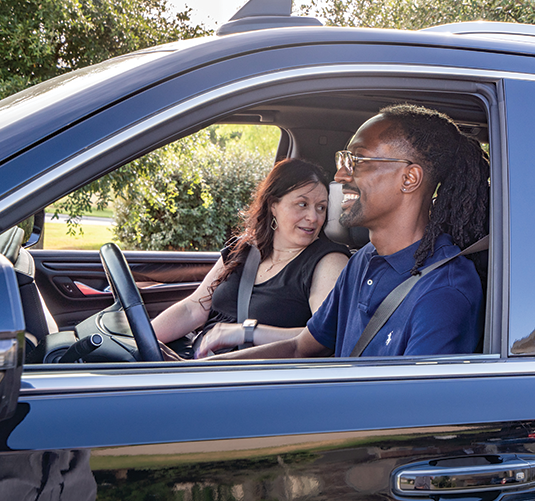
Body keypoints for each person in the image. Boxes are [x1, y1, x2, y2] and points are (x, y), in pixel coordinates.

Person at [195, 103, 488, 359]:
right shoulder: (363, 260)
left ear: (409, 178)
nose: (340, 176)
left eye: (357, 161)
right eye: (343, 160)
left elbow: (410, 415)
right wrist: (210, 371)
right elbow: (301, 347)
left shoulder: (444, 291)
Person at [152, 158, 349, 357]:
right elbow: (193, 308)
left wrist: (245, 332)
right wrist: (142, 342)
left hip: (246, 378)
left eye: (321, 207)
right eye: (302, 204)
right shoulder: (245, 249)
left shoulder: (328, 261)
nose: (313, 217)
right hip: (196, 361)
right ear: (273, 205)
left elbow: (324, 337)